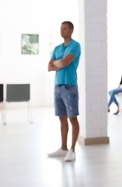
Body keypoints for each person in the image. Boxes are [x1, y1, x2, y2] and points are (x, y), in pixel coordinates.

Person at [47, 21, 81, 162]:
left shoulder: (75, 46)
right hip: (58, 87)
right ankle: (63, 148)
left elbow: (65, 63)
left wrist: (57, 63)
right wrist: (57, 63)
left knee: (72, 118)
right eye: (61, 28)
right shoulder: (56, 48)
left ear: (71, 30)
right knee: (62, 117)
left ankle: (72, 150)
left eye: (65, 28)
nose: (62, 31)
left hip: (69, 86)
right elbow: (49, 66)